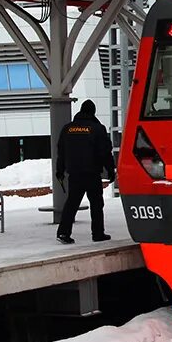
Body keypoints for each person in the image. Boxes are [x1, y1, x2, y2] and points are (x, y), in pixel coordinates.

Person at [55, 99, 116, 244]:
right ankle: (98, 233)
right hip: (92, 173)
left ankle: (63, 232)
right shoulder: (97, 128)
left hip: (74, 174)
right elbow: (105, 152)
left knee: (71, 204)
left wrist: (60, 170)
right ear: (93, 112)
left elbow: (61, 152)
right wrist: (110, 170)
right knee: (96, 204)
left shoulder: (67, 129)